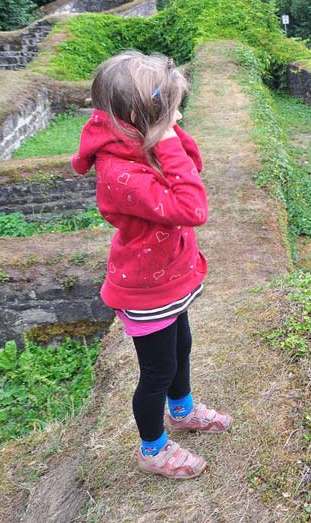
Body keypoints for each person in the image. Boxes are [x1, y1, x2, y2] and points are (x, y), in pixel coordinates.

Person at [72, 50, 232, 479]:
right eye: (171, 108)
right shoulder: (120, 172)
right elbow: (192, 205)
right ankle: (153, 450)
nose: (178, 115)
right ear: (140, 118)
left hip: (169, 277)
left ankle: (181, 412)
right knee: (156, 371)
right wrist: (164, 138)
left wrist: (169, 131)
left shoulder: (133, 142)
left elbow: (191, 166)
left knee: (181, 346)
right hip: (147, 289)